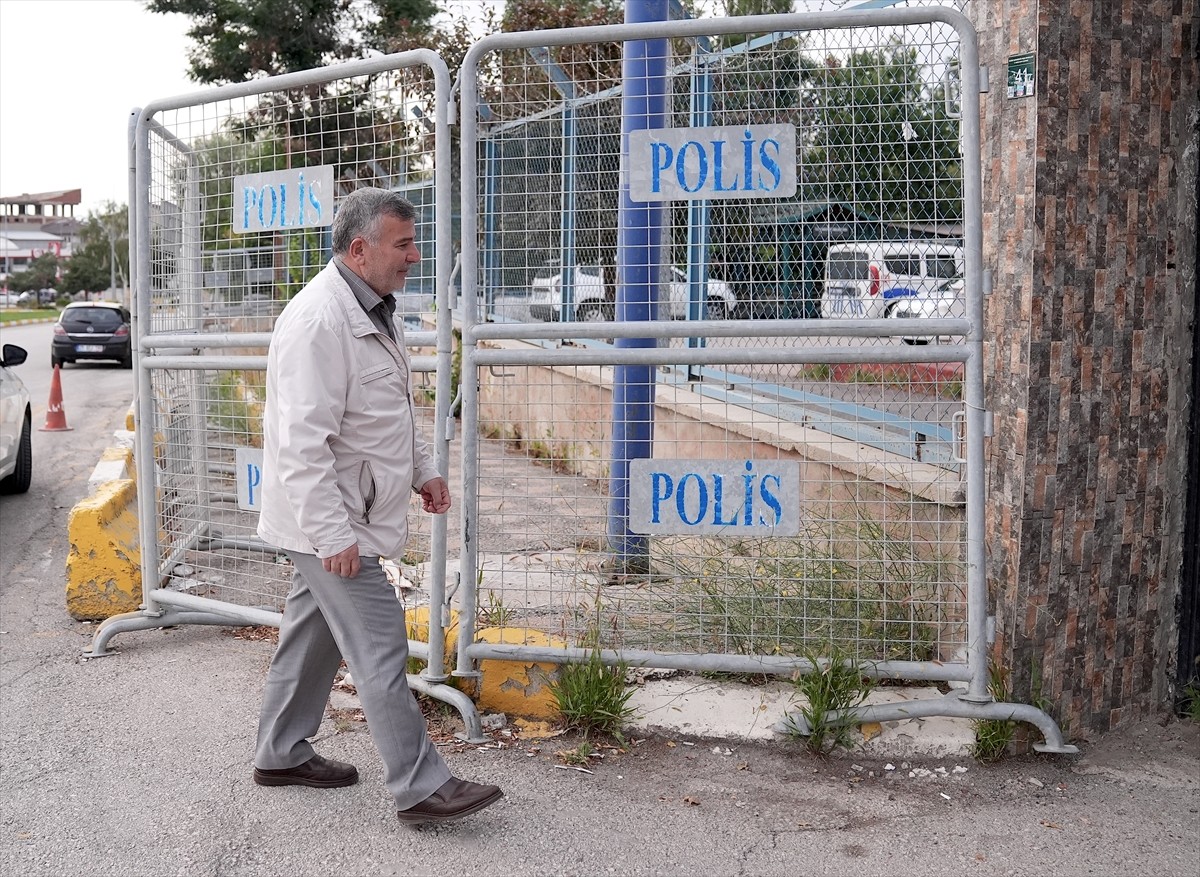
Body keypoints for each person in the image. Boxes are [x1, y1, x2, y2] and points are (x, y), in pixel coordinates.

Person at [252, 187, 503, 824]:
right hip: (330, 520)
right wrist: (331, 534)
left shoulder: (374, 307)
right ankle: (420, 786)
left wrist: (421, 471)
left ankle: (280, 751)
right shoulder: (318, 321)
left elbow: (381, 412)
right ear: (360, 249)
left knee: (312, 638)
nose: (415, 256)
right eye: (404, 244)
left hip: (342, 514)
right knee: (381, 643)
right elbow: (300, 443)